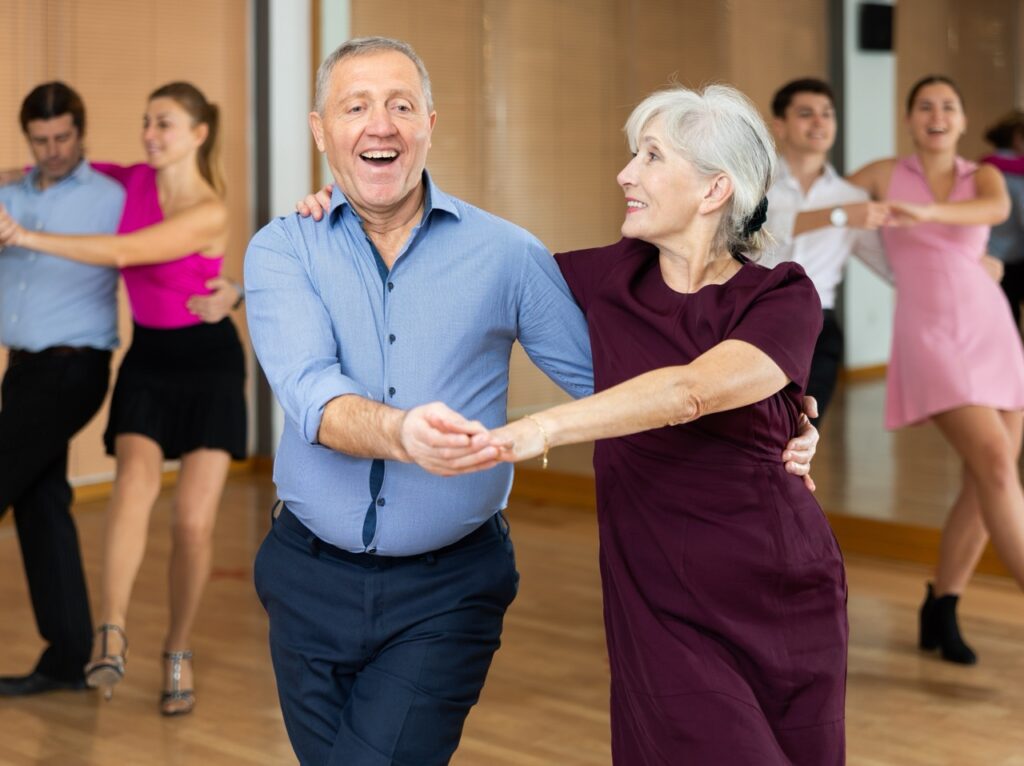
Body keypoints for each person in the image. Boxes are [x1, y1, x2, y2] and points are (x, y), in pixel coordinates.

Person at [253, 37, 819, 766]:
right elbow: (310, 392)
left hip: (447, 591)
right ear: (320, 129)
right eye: (354, 108)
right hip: (304, 581)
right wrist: (403, 434)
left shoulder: (507, 256)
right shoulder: (284, 248)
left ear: (431, 121)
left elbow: (623, 385)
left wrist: (784, 418)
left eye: (400, 106)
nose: (380, 125)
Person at [488, 84, 847, 765]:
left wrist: (540, 429)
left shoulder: (781, 294)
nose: (626, 173)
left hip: (777, 589)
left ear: (715, 190)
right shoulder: (604, 279)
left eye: (651, 156)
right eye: (634, 154)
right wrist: (346, 210)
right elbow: (467, 263)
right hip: (657, 595)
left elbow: (692, 392)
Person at [0, 81, 246, 714]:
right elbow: (43, 170)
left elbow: (123, 251)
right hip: (147, 360)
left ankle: (178, 652)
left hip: (207, 365)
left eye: (163, 123)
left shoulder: (209, 208)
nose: (149, 133)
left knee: (191, 523)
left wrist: (21, 236)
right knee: (117, 491)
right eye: (145, 122)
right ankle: (104, 638)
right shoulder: (128, 180)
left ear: (198, 133)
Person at [848, 75, 1024, 665]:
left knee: (986, 480)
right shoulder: (882, 172)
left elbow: (994, 210)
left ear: (964, 120)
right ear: (909, 119)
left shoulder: (985, 176)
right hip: (929, 337)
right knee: (999, 464)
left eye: (949, 105)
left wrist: (928, 213)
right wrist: (861, 223)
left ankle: (941, 605)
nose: (937, 114)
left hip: (993, 331)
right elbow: (821, 210)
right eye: (925, 106)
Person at [0, 82, 124, 697]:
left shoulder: (111, 198)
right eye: (41, 140)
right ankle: (69, 654)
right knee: (40, 500)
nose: (53, 150)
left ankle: (68, 653)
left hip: (74, 369)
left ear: (81, 131)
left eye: (63, 138)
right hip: (22, 369)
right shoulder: (8, 195)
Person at [764, 78, 893, 423]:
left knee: (802, 434)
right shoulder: (753, 184)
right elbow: (755, 230)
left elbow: (890, 267)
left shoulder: (853, 198)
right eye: (806, 113)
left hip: (819, 327)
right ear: (780, 125)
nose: (819, 122)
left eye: (827, 114)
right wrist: (838, 217)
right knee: (753, 434)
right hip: (753, 318)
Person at [980, 110, 1024, 328]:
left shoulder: (982, 169)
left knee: (1005, 323)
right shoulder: (1017, 175)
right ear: (1018, 138)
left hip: (989, 257)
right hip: (1016, 259)